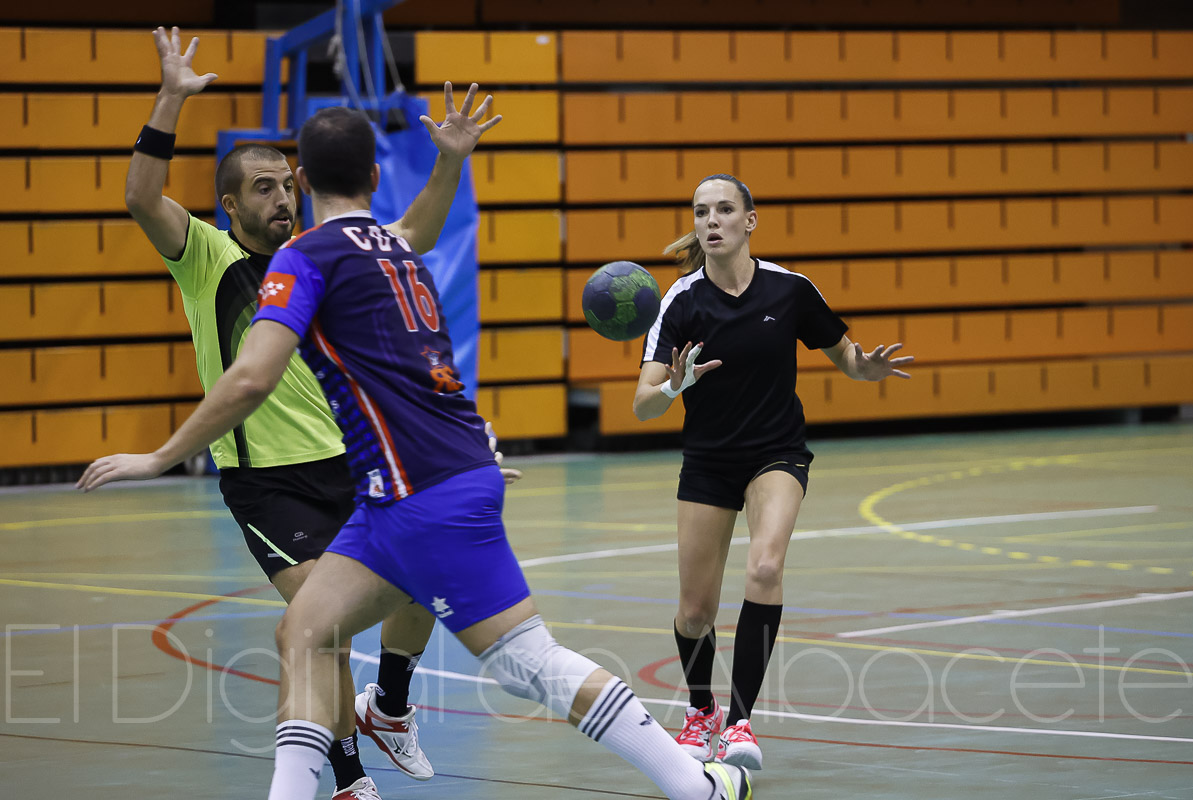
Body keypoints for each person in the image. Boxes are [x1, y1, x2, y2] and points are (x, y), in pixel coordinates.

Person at [79, 106, 751, 800]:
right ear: (375, 175)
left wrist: (159, 457)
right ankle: (348, 764)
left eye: (287, 183)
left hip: (417, 488)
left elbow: (251, 376)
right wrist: (451, 160)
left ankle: (695, 787)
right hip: (401, 487)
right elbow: (418, 303)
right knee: (305, 634)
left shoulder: (306, 257)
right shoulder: (397, 249)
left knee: (527, 660)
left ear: (303, 180)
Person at [122, 28, 509, 798]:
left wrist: (450, 159)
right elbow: (140, 196)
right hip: (270, 483)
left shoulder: (325, 255)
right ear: (228, 204)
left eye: (286, 184)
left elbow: (418, 234)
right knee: (320, 625)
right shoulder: (206, 257)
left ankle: (390, 708)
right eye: (261, 188)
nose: (280, 197)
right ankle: (346, 777)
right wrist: (170, 98)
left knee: (424, 584)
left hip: (352, 465)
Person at [633, 174, 914, 771]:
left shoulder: (790, 291)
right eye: (701, 211)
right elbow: (643, 401)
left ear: (749, 221)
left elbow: (848, 360)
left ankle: (738, 721)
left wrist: (870, 369)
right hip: (708, 460)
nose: (712, 221)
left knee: (765, 566)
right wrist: (673, 387)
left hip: (775, 453)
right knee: (694, 612)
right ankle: (700, 710)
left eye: (724, 210)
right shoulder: (679, 302)